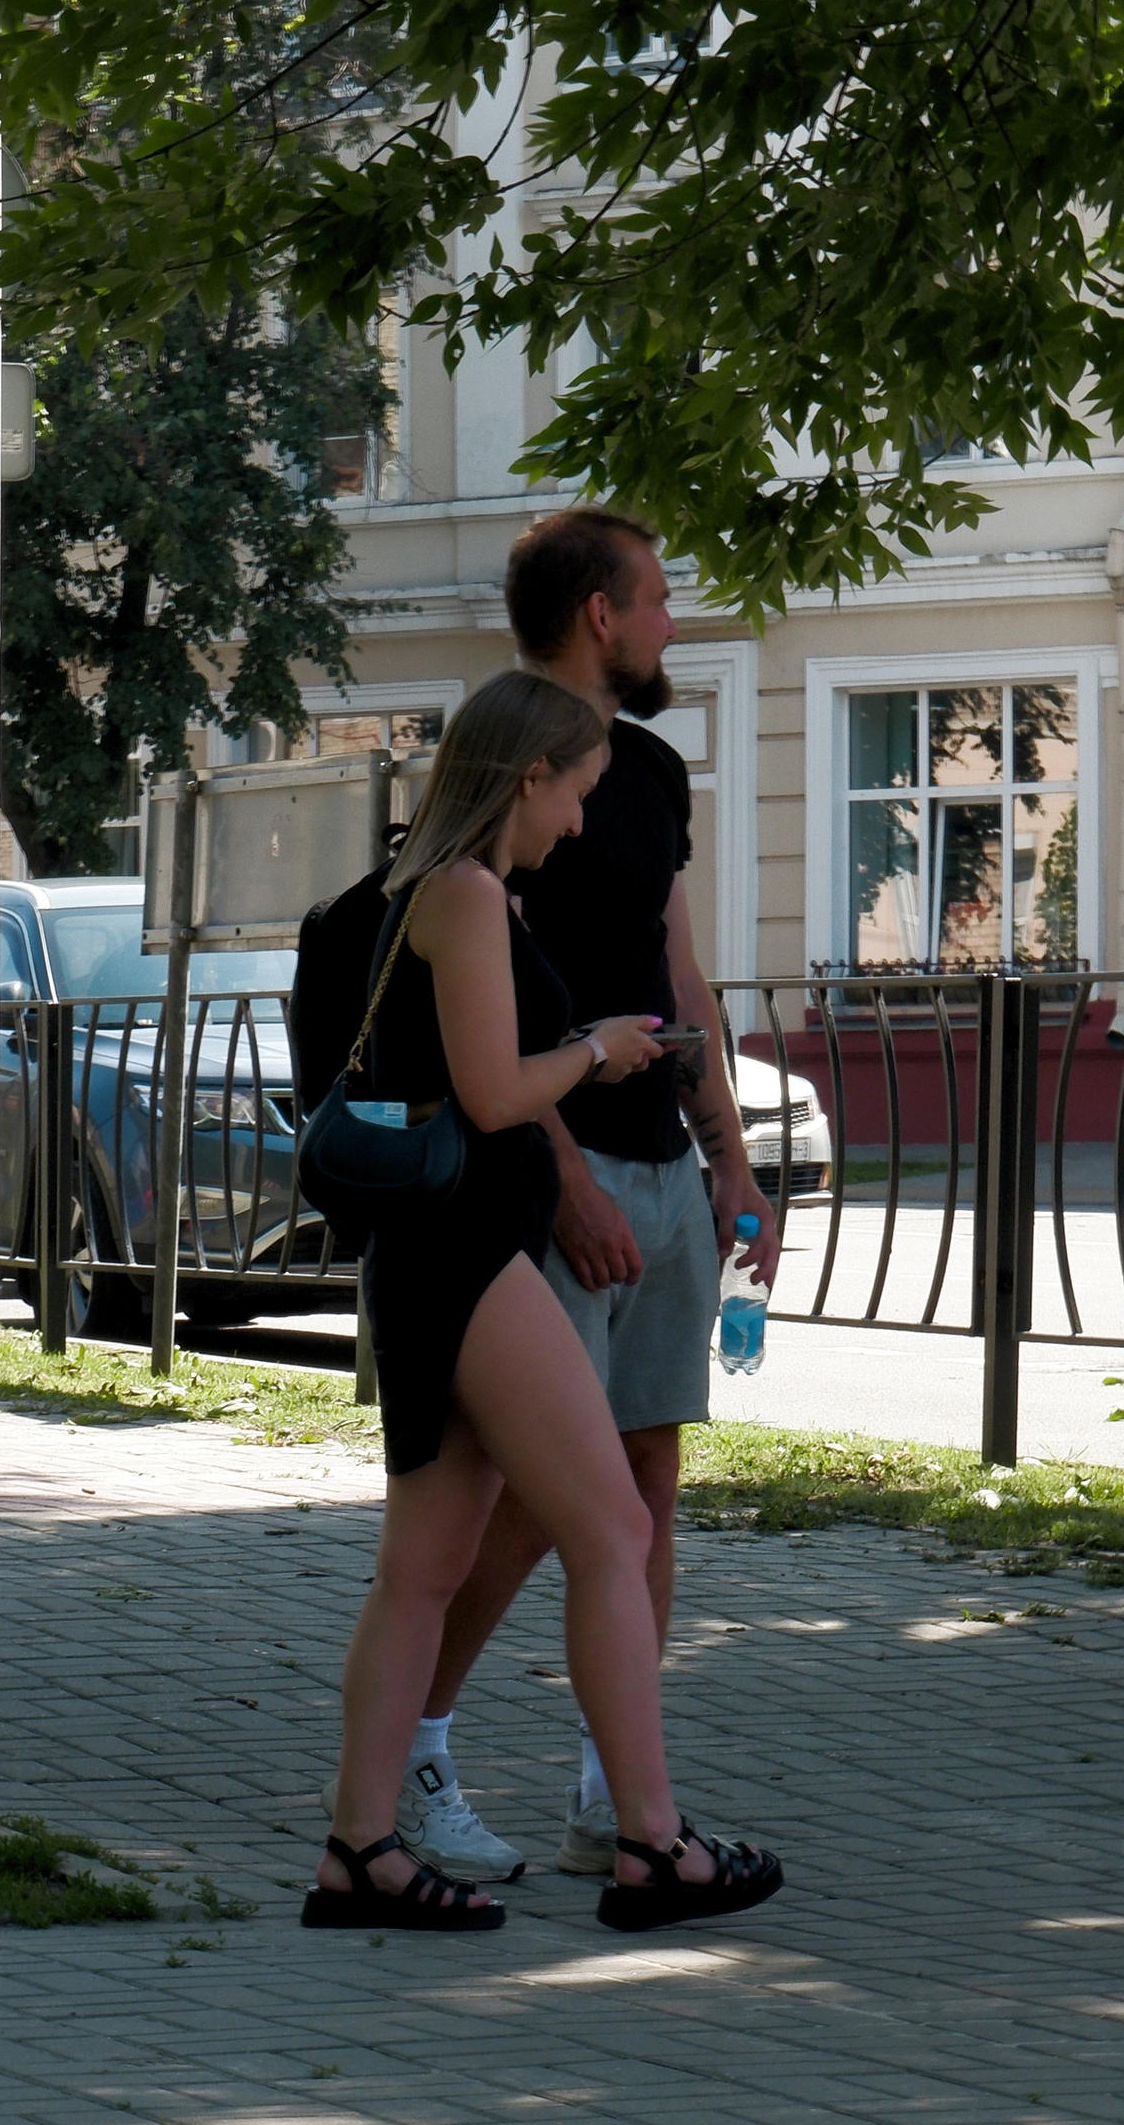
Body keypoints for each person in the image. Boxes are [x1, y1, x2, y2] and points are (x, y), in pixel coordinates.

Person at [306, 667, 783, 1937]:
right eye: (573, 790)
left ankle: (358, 1853)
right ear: (527, 777)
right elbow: (493, 1092)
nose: (580, 819)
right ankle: (651, 1842)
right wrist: (599, 1050)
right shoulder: (462, 895)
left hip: (433, 1256)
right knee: (614, 1530)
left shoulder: (439, 889)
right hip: (469, 1256)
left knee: (423, 1568)